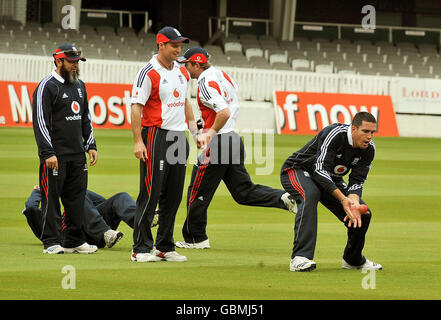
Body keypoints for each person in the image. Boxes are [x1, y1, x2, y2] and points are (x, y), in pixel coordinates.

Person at [175, 47, 298, 249]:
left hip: (219, 142)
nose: (184, 67)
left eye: (186, 64)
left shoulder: (204, 83)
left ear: (196, 64)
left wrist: (209, 133)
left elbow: (222, 112)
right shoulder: (222, 75)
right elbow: (228, 107)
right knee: (243, 192)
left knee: (196, 190)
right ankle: (282, 197)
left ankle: (196, 239)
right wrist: (205, 124)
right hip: (232, 138)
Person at [280, 112, 383, 272]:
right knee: (310, 195)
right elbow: (319, 169)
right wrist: (343, 199)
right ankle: (300, 257)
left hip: (330, 178)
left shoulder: (369, 149)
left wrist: (354, 202)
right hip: (297, 170)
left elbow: (357, 180)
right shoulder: (334, 134)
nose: (369, 136)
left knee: (362, 213)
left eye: (372, 132)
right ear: (354, 128)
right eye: (365, 131)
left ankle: (353, 259)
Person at [129, 26, 199, 263]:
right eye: (174, 45)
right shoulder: (148, 72)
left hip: (179, 138)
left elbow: (185, 102)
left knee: (173, 195)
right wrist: (138, 141)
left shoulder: (182, 72)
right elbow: (136, 107)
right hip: (156, 135)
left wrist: (194, 132)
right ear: (161, 45)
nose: (178, 50)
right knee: (150, 193)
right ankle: (139, 248)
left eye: (180, 45)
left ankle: (164, 246)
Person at [32, 44, 98, 254]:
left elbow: (85, 118)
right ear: (58, 61)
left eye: (78, 61)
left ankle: (74, 240)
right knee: (51, 199)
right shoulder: (47, 86)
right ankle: (51, 241)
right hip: (56, 156)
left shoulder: (80, 86)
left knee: (76, 199)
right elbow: (40, 122)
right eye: (71, 61)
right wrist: (47, 153)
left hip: (77, 155)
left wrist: (91, 145)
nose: (75, 65)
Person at [22, 186, 132, 249]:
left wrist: (64, 189)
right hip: (78, 238)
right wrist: (38, 191)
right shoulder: (45, 226)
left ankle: (142, 221)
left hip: (93, 226)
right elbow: (31, 207)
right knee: (78, 196)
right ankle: (105, 232)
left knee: (121, 197)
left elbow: (104, 203)